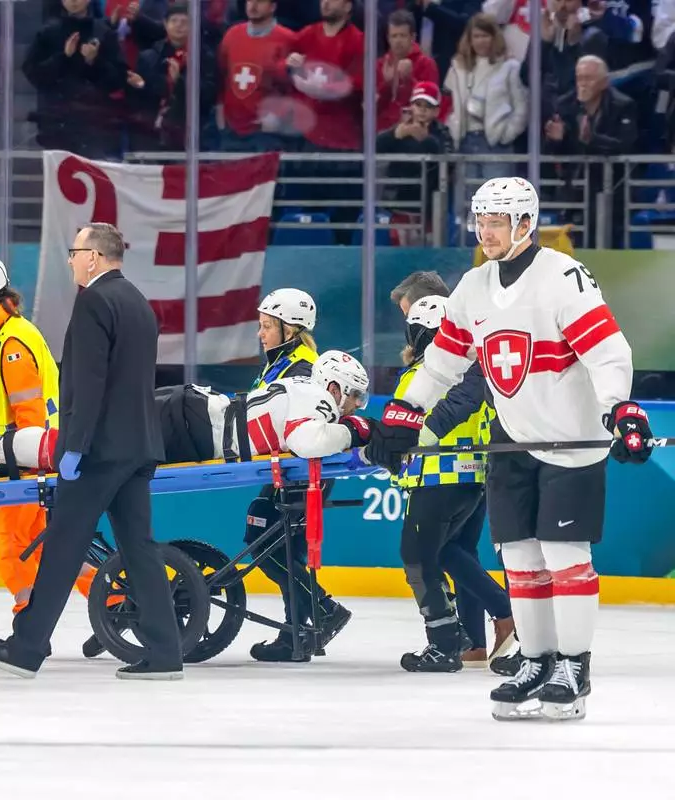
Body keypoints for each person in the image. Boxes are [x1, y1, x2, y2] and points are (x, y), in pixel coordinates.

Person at [366, 176, 649, 721]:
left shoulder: (563, 278)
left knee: (565, 557)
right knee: (519, 557)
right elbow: (444, 362)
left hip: (571, 441)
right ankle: (536, 661)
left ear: (525, 223)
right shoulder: (473, 286)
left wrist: (620, 407)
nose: (486, 231)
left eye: (497, 220)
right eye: (481, 220)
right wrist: (405, 414)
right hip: (511, 438)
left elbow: (608, 349)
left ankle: (573, 664)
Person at [0, 222, 183, 680]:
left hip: (99, 451)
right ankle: (166, 650)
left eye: (74, 251)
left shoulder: (95, 302)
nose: (69, 260)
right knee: (138, 546)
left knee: (63, 543)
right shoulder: (138, 303)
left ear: (94, 257)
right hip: (138, 446)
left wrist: (74, 448)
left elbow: (86, 386)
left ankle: (27, 647)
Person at [0, 254, 102, 664]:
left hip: (25, 467)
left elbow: (28, 418)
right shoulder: (3, 337)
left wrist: (14, 465)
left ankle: (28, 633)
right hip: (23, 464)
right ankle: (114, 603)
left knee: (12, 549)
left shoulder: (11, 344)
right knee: (48, 551)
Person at [390, 271, 517, 670]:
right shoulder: (472, 371)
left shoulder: (428, 378)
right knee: (459, 554)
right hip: (473, 476)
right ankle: (475, 641)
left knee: (430, 553)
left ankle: (498, 613)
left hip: (440, 477)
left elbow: (409, 429)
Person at [244, 288, 352, 662]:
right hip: (287, 469)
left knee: (266, 542)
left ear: (289, 330)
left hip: (302, 471)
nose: (260, 334)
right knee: (280, 545)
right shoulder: (281, 363)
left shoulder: (304, 367)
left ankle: (321, 611)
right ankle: (299, 633)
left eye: (267, 326)